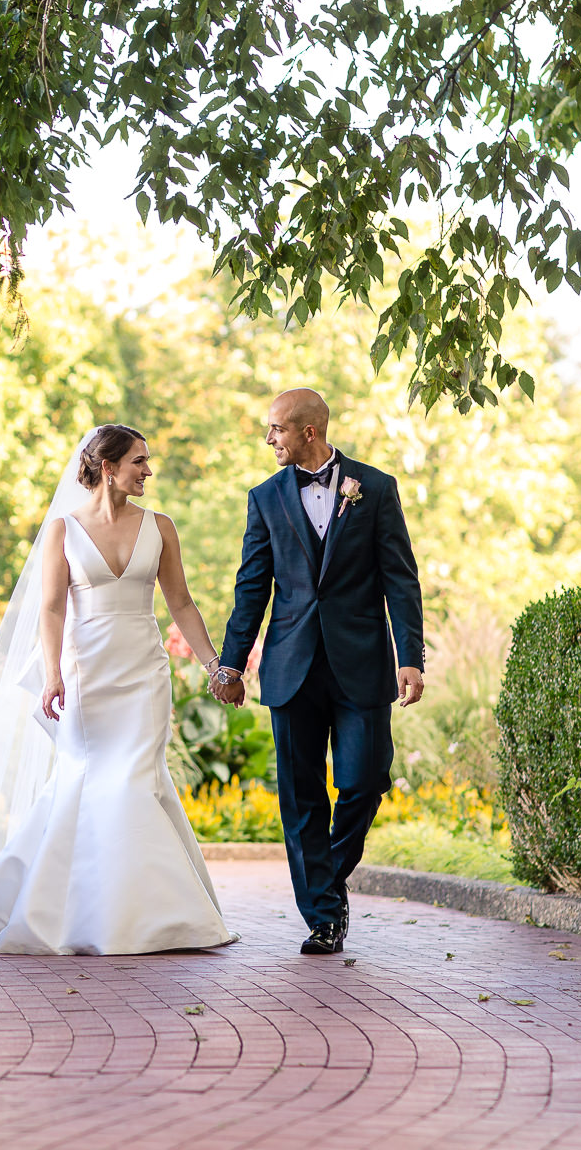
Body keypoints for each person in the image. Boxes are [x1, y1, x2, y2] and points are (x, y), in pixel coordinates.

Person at [0, 425, 236, 954]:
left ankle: (145, 916)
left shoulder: (161, 527)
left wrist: (216, 664)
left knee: (135, 781)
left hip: (144, 673)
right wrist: (53, 673)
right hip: (87, 673)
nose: (148, 470)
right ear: (108, 467)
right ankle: (83, 912)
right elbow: (52, 607)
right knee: (88, 781)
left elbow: (181, 603)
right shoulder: (64, 530)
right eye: (139, 461)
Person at [211, 388, 425, 955]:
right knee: (301, 793)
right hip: (290, 664)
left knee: (365, 779)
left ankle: (325, 875)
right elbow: (252, 586)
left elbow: (400, 577)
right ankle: (324, 915)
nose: (268, 439)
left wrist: (411, 657)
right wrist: (232, 662)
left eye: (276, 428)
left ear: (309, 431)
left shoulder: (374, 488)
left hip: (363, 662)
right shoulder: (264, 498)